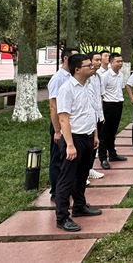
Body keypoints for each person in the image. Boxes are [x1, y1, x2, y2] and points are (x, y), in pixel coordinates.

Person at [55, 54, 102, 232]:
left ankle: (79, 206)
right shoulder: (67, 89)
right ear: (77, 69)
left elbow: (91, 112)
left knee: (82, 176)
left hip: (88, 137)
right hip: (73, 139)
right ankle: (62, 217)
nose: (92, 67)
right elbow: (64, 119)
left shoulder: (88, 85)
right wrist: (69, 145)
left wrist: (95, 135)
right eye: (88, 65)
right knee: (66, 179)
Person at [47, 46, 78, 202]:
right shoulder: (58, 78)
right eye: (75, 58)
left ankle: (66, 187)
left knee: (66, 158)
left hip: (69, 124)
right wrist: (57, 130)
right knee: (57, 158)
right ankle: (55, 191)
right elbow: (53, 106)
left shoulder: (72, 77)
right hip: (59, 124)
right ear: (66, 59)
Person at [99, 52, 128, 169]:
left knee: (113, 131)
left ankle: (112, 153)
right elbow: (101, 93)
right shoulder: (105, 76)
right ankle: (103, 158)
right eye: (117, 61)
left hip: (118, 104)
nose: (120, 64)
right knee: (104, 133)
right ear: (111, 63)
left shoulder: (120, 75)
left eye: (121, 61)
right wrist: (101, 111)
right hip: (108, 105)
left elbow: (119, 89)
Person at [86, 51, 105, 180]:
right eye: (97, 60)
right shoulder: (85, 78)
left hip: (98, 115)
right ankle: (83, 172)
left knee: (94, 144)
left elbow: (100, 96)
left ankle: (90, 168)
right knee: (86, 146)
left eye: (100, 60)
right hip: (88, 117)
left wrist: (101, 114)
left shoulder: (98, 76)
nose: (99, 62)